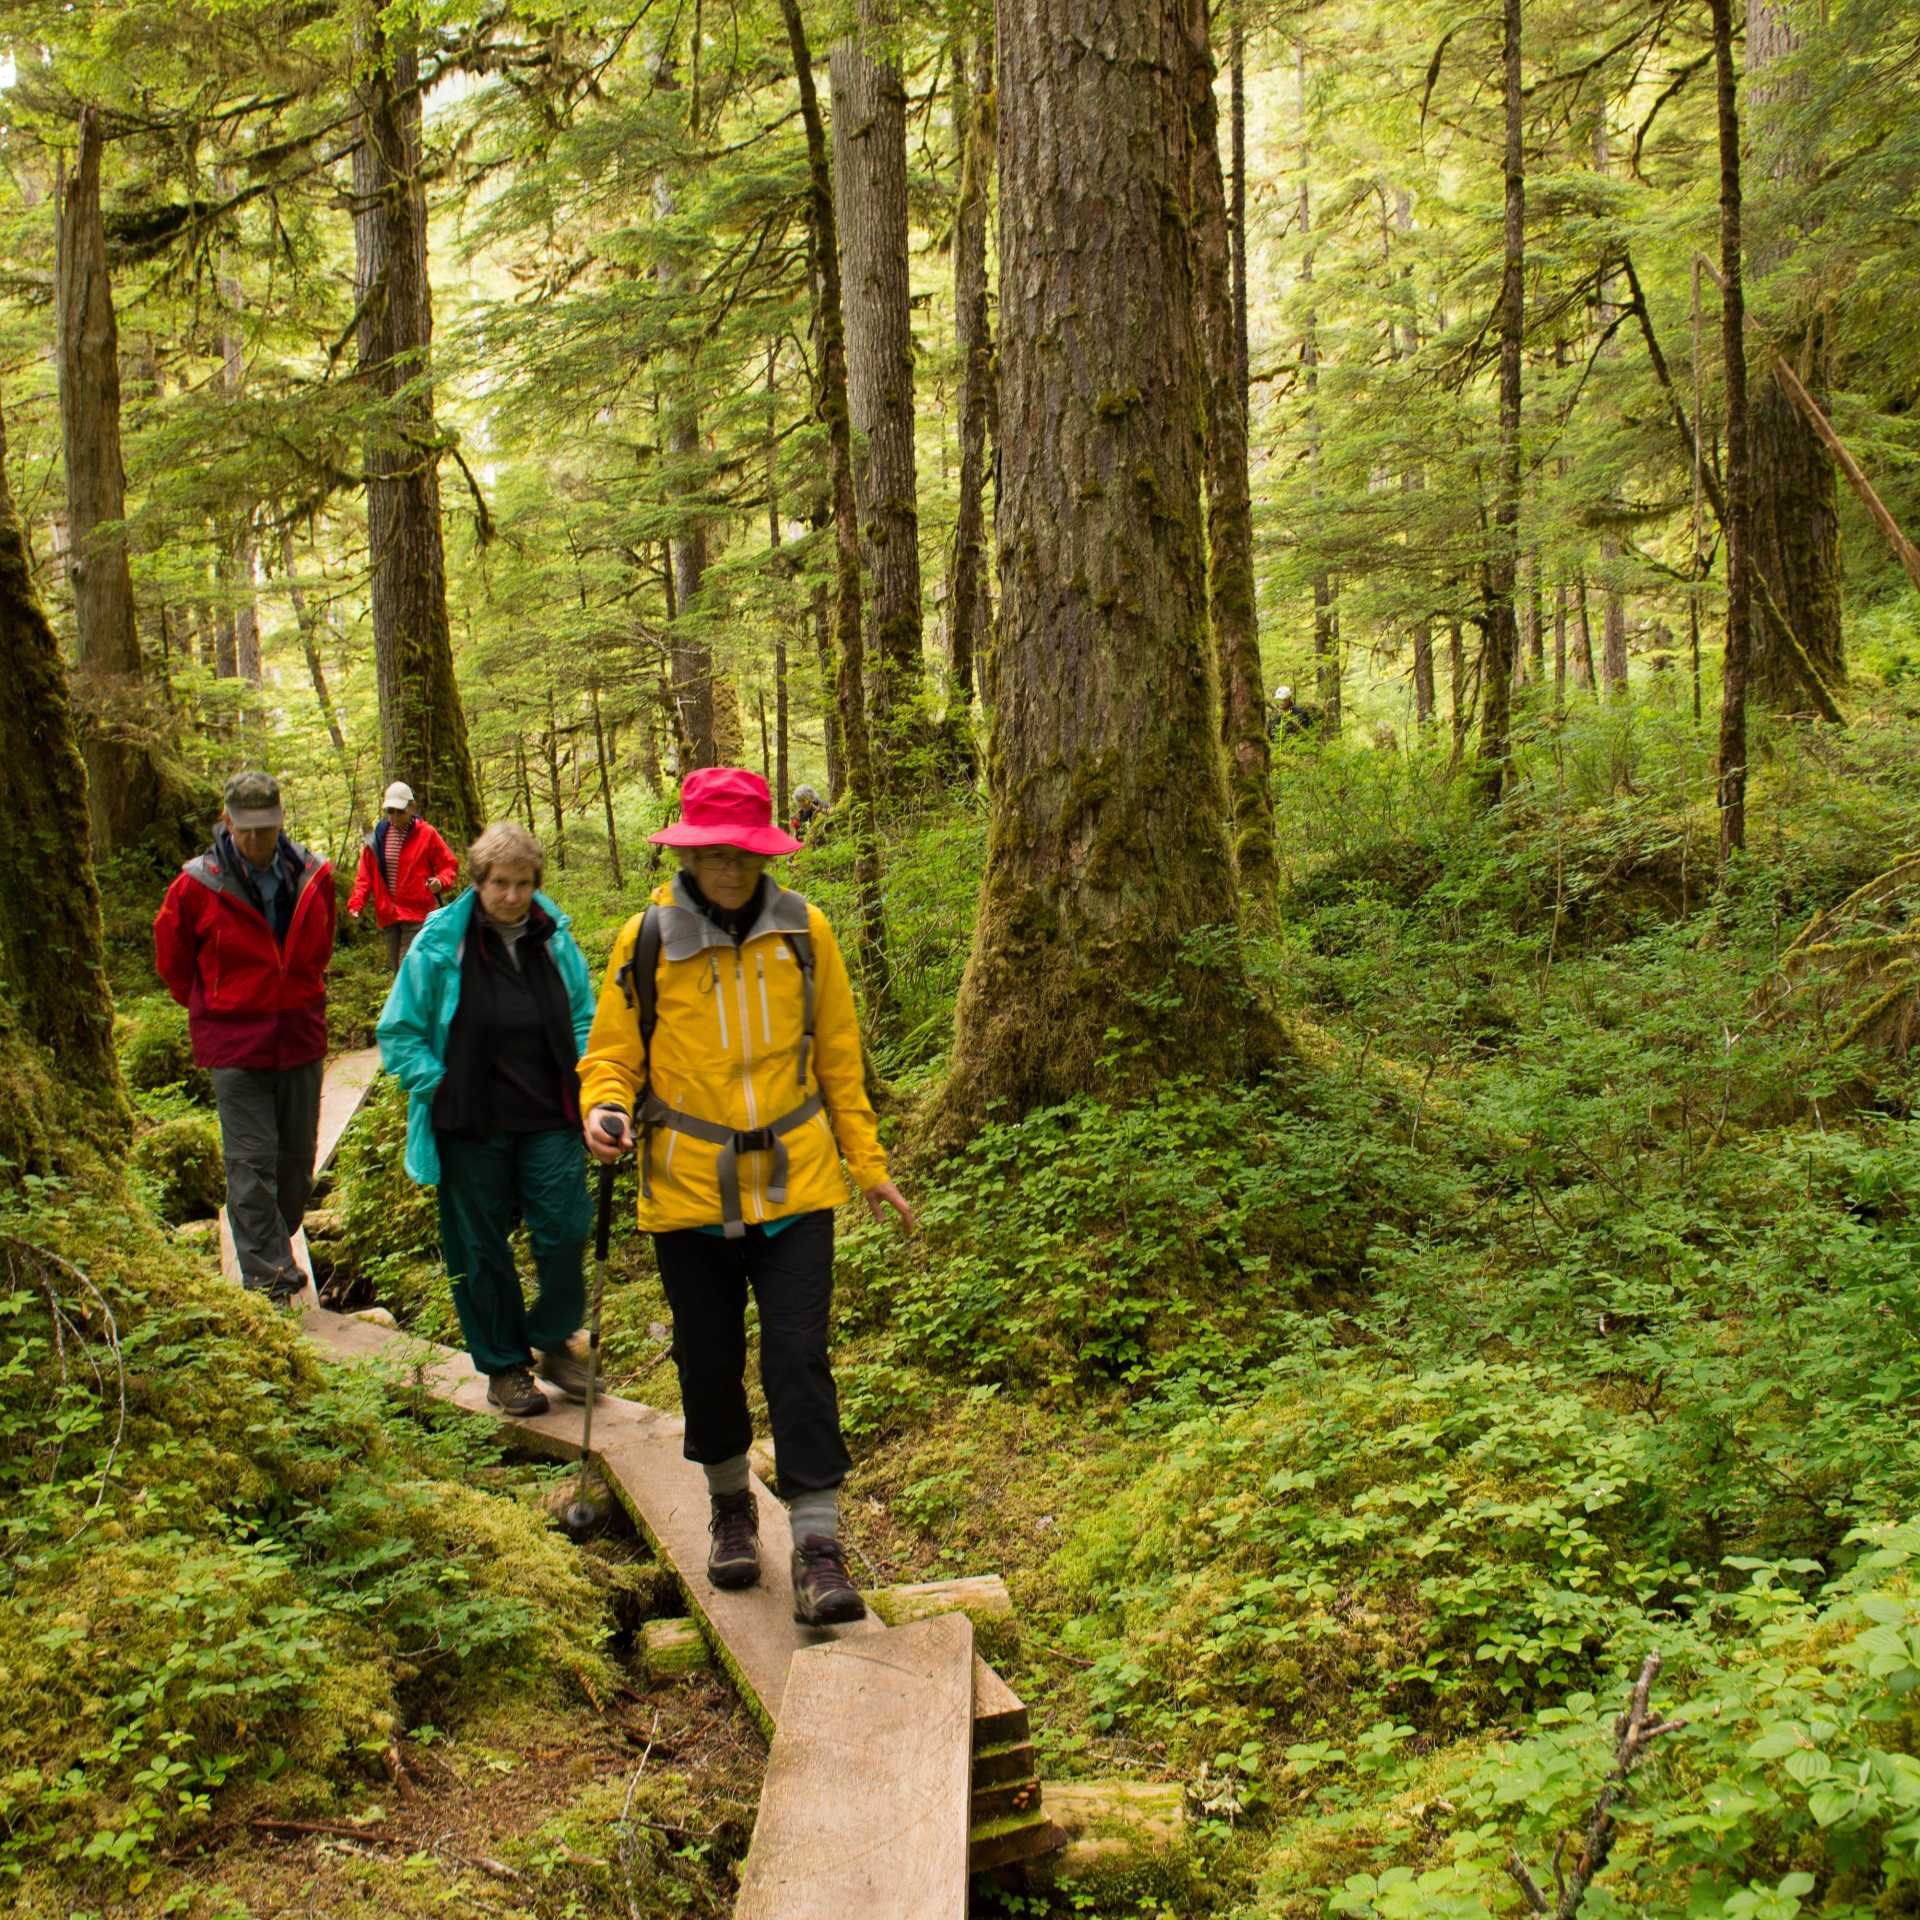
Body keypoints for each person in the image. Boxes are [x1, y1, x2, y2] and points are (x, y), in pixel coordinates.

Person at [578, 766, 912, 1627]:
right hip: (686, 1189)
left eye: (745, 853)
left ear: (767, 853)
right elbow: (612, 1051)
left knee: (800, 1359)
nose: (730, 867)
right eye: (715, 852)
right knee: (709, 1357)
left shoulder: (806, 931)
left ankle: (817, 1545)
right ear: (690, 849)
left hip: (797, 1183)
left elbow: (839, 1057)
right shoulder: (644, 938)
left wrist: (868, 1163)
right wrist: (605, 1106)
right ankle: (730, 1507)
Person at [376, 823, 600, 1417]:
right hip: (469, 1120)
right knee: (480, 1249)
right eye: (500, 883)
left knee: (567, 1225)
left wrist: (590, 1079)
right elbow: (399, 1033)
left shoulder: (554, 939)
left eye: (523, 884)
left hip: (549, 1111)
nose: (512, 897)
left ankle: (553, 1339)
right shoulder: (439, 944)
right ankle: (505, 1367)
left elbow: (583, 1017)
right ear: (477, 882)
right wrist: (438, 1086)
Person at [154, 771, 336, 1306]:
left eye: (267, 828)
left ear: (281, 820)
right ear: (227, 822)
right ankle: (269, 1278)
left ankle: (277, 1237)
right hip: (235, 1046)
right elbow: (173, 961)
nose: (257, 841)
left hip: (299, 1037)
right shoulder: (195, 885)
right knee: (251, 1161)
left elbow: (320, 948)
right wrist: (216, 1004)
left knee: (295, 1164)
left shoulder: (312, 874)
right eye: (247, 830)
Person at [348, 781, 458, 972]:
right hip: (388, 915)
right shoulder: (377, 838)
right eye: (391, 811)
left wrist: (441, 881)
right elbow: (365, 876)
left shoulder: (427, 834)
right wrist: (356, 903)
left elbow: (449, 865)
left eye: (400, 811)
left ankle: (417, 1000)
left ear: (412, 807)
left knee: (408, 968)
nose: (395, 816)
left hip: (417, 913)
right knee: (397, 970)